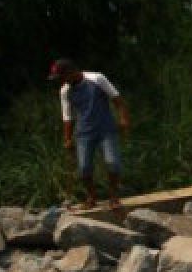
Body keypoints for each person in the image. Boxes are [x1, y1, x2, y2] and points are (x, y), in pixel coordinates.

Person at [48, 58, 131, 210]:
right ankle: (91, 197)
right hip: (84, 133)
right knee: (84, 168)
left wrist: (123, 118)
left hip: (106, 129)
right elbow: (68, 117)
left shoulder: (97, 78)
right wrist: (67, 139)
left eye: (61, 77)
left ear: (71, 72)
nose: (61, 82)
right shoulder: (65, 91)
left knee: (113, 163)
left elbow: (117, 100)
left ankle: (113, 197)